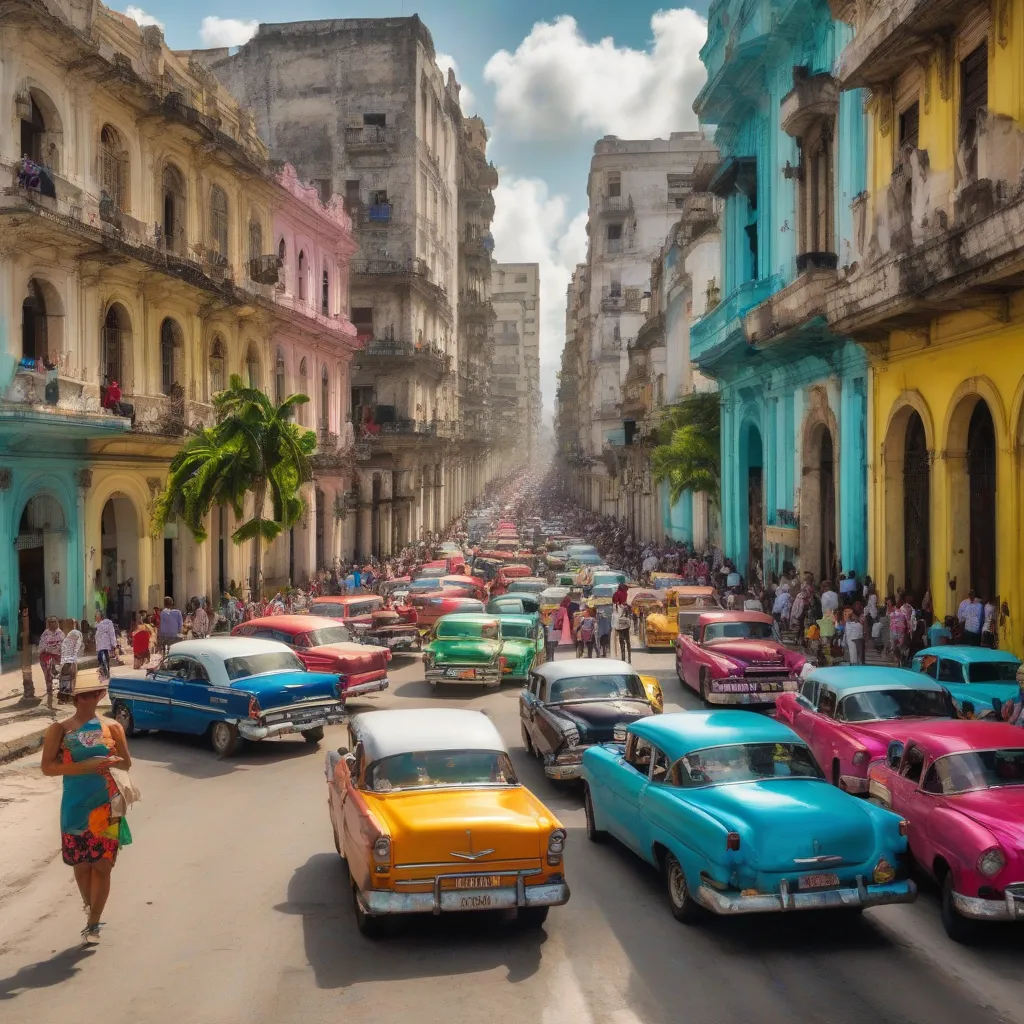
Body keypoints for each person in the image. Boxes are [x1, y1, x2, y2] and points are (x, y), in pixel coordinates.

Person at [40, 675, 133, 944]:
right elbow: (48, 768)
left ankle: (94, 922)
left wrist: (113, 759)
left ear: (100, 696)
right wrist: (86, 766)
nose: (86, 699)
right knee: (81, 867)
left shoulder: (113, 727)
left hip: (107, 805)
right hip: (74, 808)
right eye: (81, 695)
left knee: (103, 866)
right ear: (74, 697)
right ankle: (90, 907)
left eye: (92, 694)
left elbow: (126, 764)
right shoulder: (60, 729)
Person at [38, 616, 65, 705]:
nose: (53, 623)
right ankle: (49, 692)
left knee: (62, 674)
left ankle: (62, 693)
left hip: (58, 657)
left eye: (55, 621)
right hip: (47, 657)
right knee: (48, 675)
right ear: (48, 624)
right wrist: (48, 651)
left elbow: (63, 646)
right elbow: (42, 646)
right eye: (51, 622)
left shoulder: (60, 633)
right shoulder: (45, 634)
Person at [58, 621, 84, 703]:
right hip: (69, 659)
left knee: (67, 677)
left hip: (69, 660)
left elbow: (77, 646)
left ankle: (66, 697)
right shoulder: (69, 635)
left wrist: (72, 659)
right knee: (70, 677)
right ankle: (69, 695)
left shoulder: (73, 634)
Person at [94, 610, 117, 682]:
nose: (96, 617)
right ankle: (104, 673)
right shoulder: (96, 624)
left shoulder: (108, 623)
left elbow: (112, 633)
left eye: (98, 615)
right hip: (100, 645)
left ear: (101, 616)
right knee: (101, 659)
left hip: (105, 645)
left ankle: (106, 673)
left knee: (104, 659)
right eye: (96, 616)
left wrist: (113, 644)